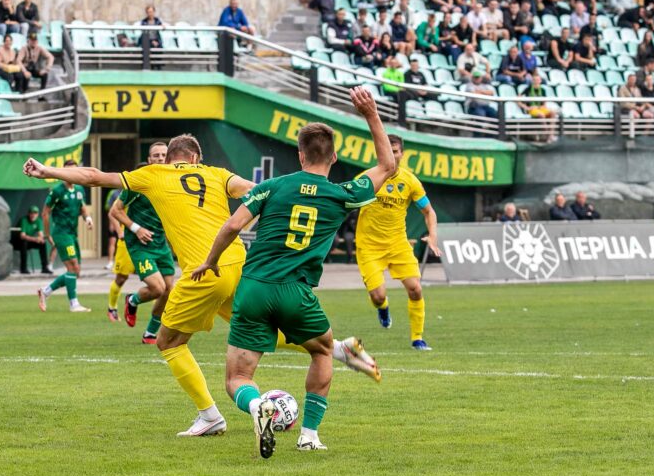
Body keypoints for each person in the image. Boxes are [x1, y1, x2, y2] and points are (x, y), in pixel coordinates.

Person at [23, 127, 370, 439]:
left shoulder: (153, 174)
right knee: (251, 330)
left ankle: (210, 415)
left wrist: (47, 170)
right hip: (240, 264)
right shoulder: (216, 173)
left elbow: (94, 176)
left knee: (168, 341)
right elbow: (255, 191)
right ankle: (338, 349)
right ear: (194, 158)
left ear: (173, 157)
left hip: (206, 270)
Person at [191, 98, 391, 457]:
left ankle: (257, 407)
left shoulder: (272, 186)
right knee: (324, 350)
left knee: (238, 379)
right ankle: (309, 435)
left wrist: (210, 262)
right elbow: (388, 165)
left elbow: (233, 225)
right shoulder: (342, 194)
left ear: (300, 155)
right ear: (333, 158)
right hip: (296, 292)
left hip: (253, 288)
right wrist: (371, 114)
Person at [353, 131, 441, 352]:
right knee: (378, 295)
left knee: (415, 289)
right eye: (388, 152)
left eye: (395, 152)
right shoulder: (366, 179)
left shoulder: (410, 182)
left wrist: (432, 236)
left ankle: (418, 339)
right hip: (369, 247)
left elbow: (429, 211)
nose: (391, 156)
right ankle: (383, 307)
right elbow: (344, 204)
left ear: (402, 154)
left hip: (398, 245)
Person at [106, 143, 177, 343]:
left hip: (160, 243)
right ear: (149, 159)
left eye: (164, 155)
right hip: (139, 243)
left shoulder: (172, 182)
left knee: (169, 291)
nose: (161, 158)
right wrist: (136, 228)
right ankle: (132, 299)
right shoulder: (138, 182)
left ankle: (150, 333)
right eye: (156, 155)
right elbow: (115, 211)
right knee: (157, 288)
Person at [37, 161, 93, 313]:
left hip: (73, 233)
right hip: (61, 233)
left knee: (76, 271)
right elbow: (45, 212)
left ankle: (45, 291)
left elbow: (82, 207)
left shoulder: (80, 189)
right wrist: (48, 234)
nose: (71, 175)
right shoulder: (57, 190)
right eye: (68, 171)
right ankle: (73, 304)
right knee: (72, 266)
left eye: (74, 171)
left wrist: (88, 219)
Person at [16, 206, 51, 275]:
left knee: (42, 243)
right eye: (31, 213)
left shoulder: (38, 221)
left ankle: (44, 268)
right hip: (18, 242)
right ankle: (23, 268)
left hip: (29, 241)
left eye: (35, 213)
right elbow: (22, 236)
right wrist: (35, 239)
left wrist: (40, 239)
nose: (33, 215)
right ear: (29, 214)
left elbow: (40, 234)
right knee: (24, 243)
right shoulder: (24, 220)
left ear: (37, 214)